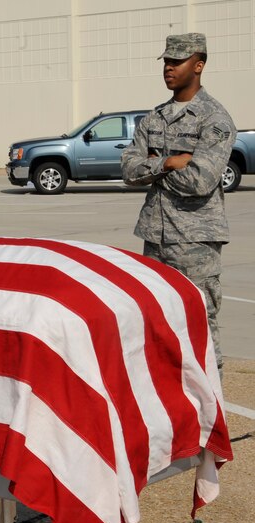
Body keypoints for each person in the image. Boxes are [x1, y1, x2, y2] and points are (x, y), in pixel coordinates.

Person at [121, 32, 235, 376]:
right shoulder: (154, 118)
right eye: (166, 61)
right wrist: (169, 163)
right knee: (156, 320)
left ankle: (210, 410)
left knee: (199, 320)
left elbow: (200, 181)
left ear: (198, 65)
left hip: (195, 240)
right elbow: (128, 169)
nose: (168, 68)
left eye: (177, 61)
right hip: (155, 238)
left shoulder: (214, 119)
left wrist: (152, 168)